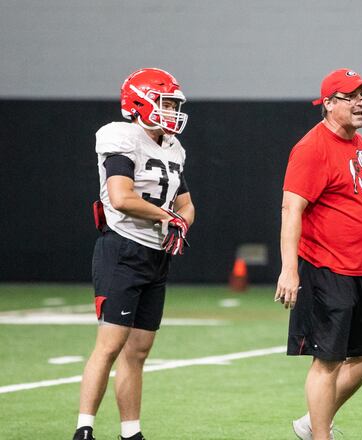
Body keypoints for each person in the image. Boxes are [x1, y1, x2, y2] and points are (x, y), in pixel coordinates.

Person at [276, 68, 362, 440]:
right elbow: (290, 210)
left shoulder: (359, 145)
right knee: (327, 361)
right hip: (326, 268)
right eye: (352, 96)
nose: (361, 102)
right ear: (329, 104)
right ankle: (319, 434)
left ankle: (310, 422)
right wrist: (289, 269)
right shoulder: (311, 148)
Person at [73, 68, 194, 440]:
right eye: (166, 102)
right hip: (122, 250)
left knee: (139, 350)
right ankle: (85, 429)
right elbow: (122, 197)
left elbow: (187, 204)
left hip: (155, 256)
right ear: (140, 102)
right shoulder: (121, 137)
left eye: (174, 104)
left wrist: (181, 223)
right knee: (109, 346)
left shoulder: (173, 147)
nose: (172, 111)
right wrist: (167, 217)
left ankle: (131, 432)